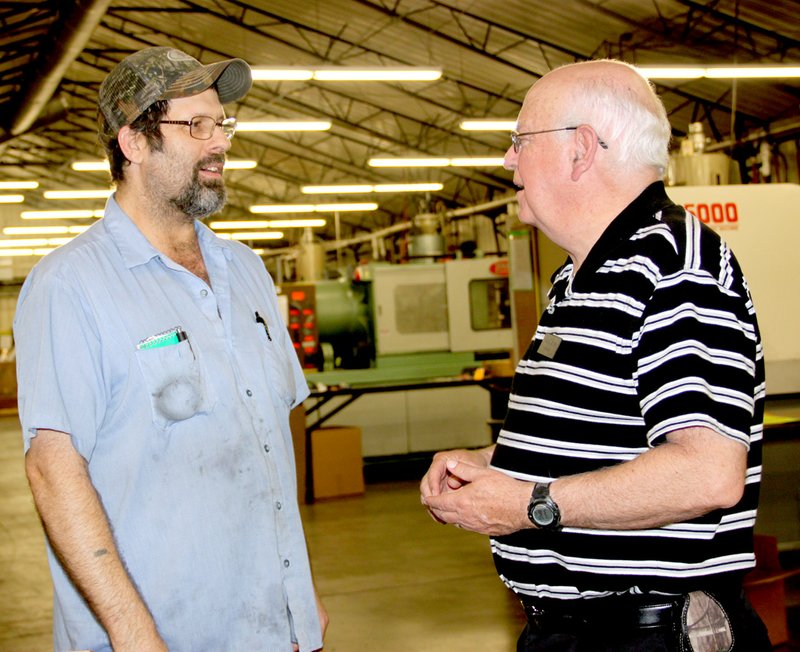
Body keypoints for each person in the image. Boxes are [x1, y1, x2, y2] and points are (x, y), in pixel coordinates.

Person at [420, 59, 770, 651]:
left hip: (649, 636)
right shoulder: (579, 276)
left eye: (519, 141)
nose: (508, 161)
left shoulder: (676, 269)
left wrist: (528, 504)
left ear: (580, 149)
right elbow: (598, 433)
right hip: (573, 631)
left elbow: (708, 473)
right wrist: (495, 463)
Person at [15, 46, 327, 652]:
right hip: (159, 637)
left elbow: (267, 442)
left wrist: (298, 595)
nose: (220, 143)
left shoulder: (247, 269)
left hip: (275, 630)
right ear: (133, 142)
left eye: (223, 124)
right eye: (196, 126)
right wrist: (136, 635)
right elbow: (53, 470)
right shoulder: (70, 285)